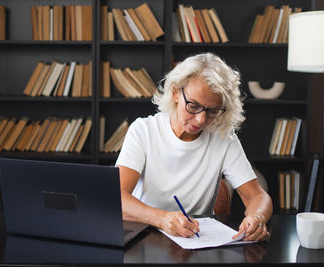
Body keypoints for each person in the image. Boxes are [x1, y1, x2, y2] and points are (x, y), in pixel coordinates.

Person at [116, 53, 272, 241]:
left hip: (197, 239)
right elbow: (118, 198)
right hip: (145, 236)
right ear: (175, 92)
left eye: (212, 111)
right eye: (193, 105)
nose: (201, 120)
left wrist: (257, 217)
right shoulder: (144, 131)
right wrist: (162, 218)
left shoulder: (223, 138)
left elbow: (258, 197)